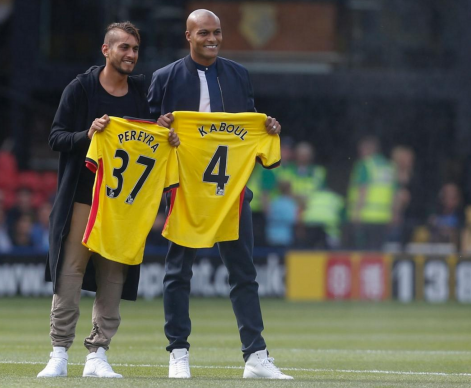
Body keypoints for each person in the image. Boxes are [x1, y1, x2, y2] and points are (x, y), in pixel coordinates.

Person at [148, 9, 292, 380]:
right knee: (178, 271)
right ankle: (178, 351)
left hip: (230, 192)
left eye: (217, 32)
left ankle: (256, 356)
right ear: (189, 36)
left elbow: (250, 126)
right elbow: (148, 137)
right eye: (204, 33)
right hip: (186, 189)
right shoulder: (164, 78)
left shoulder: (238, 75)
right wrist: (160, 127)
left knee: (243, 271)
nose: (212, 39)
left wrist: (268, 127)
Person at [39, 22, 162, 379]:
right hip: (83, 196)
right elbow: (56, 137)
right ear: (105, 50)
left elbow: (154, 131)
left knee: (113, 275)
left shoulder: (142, 91)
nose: (131, 55)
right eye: (124, 47)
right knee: (70, 271)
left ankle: (98, 353)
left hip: (123, 204)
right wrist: (86, 134)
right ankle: (59, 352)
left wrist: (164, 128)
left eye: (135, 49)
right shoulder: (81, 88)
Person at [346, 136, 396, 250]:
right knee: (378, 251)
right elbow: (394, 193)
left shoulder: (365, 165)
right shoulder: (389, 166)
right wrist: (393, 214)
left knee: (364, 252)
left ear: (370, 149)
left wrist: (356, 213)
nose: (360, 153)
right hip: (383, 216)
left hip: (366, 216)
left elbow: (363, 190)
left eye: (362, 150)